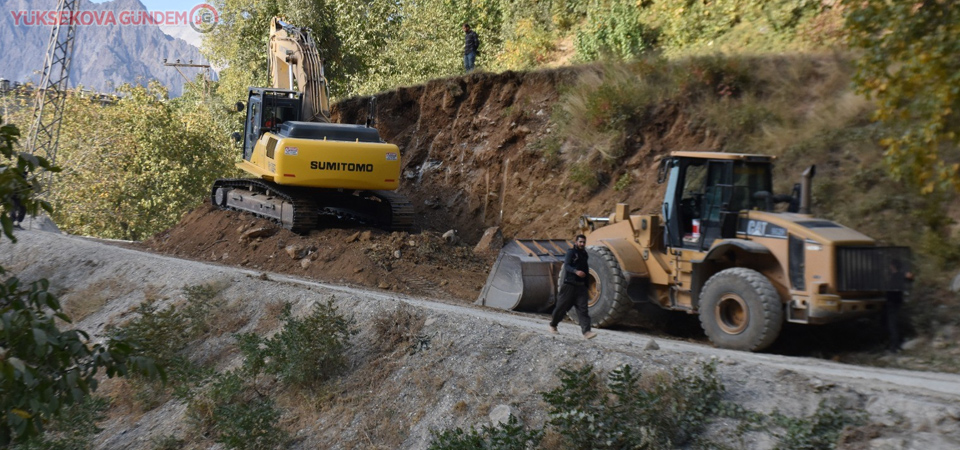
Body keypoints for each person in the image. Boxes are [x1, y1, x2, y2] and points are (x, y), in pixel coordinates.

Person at [549, 235, 597, 339]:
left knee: (583, 310)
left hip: (581, 287)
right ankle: (553, 325)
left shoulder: (584, 254)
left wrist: (586, 285)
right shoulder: (571, 253)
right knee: (561, 307)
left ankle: (586, 332)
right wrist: (576, 272)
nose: (582, 244)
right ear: (576, 242)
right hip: (569, 285)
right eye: (580, 242)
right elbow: (567, 266)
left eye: (584, 242)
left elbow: (586, 269)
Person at [883, 259, 914, 353]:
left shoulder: (895, 276)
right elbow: (910, 278)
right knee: (895, 323)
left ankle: (894, 347)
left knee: (892, 325)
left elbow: (910, 278)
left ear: (892, 266)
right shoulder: (900, 275)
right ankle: (897, 344)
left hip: (892, 302)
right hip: (897, 302)